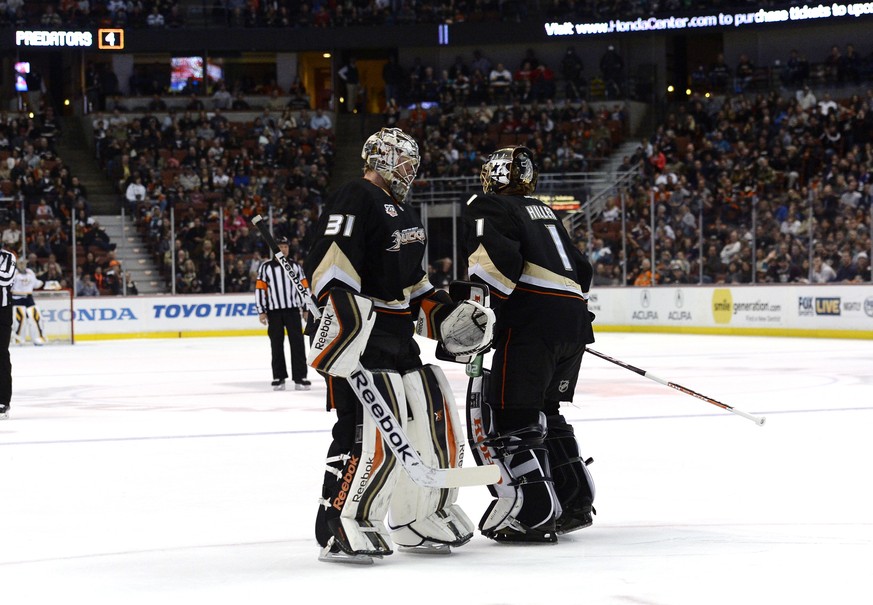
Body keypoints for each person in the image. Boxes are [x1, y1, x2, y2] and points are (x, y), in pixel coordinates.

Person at [304, 127, 492, 563]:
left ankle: (419, 516)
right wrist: (340, 315)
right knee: (368, 434)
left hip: (399, 339)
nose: (411, 169)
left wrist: (448, 318)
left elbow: (414, 287)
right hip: (363, 338)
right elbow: (331, 260)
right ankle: (343, 520)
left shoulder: (404, 213)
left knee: (433, 421)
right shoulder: (355, 196)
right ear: (382, 159)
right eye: (405, 160)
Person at [461, 146, 596, 543]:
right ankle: (574, 498)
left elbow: (496, 263)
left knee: (514, 415)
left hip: (532, 325)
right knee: (546, 411)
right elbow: (582, 270)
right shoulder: (548, 212)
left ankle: (534, 512)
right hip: (573, 323)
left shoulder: (489, 206)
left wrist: (477, 312)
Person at [255, 237, 311, 391]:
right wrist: (262, 311)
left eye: (285, 246)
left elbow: (304, 288)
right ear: (275, 248)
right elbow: (260, 290)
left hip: (293, 311)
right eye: (280, 246)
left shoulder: (295, 267)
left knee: (298, 344)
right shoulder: (265, 267)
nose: (283, 249)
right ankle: (279, 377)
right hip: (274, 312)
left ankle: (300, 376)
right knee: (276, 345)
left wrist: (306, 308)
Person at [11, 258, 46, 345]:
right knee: (20, 319)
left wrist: (42, 282)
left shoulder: (30, 272)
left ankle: (38, 338)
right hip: (17, 298)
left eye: (24, 263)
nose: (22, 265)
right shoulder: (14, 273)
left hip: (29, 298)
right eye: (20, 263)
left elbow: (35, 283)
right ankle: (18, 339)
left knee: (36, 317)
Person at [1, 245, 16, 418]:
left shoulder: (8, 257)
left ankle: (3, 400)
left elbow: (5, 278)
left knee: (1, 354)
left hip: (2, 313)